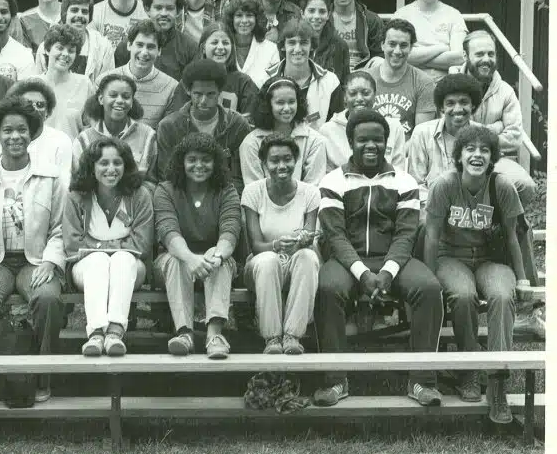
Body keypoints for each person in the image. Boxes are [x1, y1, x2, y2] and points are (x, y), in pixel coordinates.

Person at [314, 108, 444, 408]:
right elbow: (336, 237)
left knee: (428, 288)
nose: (370, 145)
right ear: (350, 142)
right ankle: (334, 380)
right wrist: (363, 274)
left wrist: (386, 272)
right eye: (362, 140)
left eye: (378, 139)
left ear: (387, 142)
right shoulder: (333, 181)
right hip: (349, 261)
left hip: (394, 261)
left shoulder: (404, 181)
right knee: (328, 289)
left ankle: (422, 381)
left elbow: (406, 234)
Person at [0, 97, 66, 404]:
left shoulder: (51, 177)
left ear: (32, 133)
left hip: (36, 260)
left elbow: (61, 228)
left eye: (22, 130)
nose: (15, 136)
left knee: (47, 299)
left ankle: (43, 376)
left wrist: (51, 262)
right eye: (7, 130)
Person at [423, 125, 525, 424]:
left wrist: (522, 279)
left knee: (502, 296)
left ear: (492, 156)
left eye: (484, 150)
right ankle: (468, 371)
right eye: (471, 149)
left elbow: (511, 236)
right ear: (460, 155)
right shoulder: (444, 184)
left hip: (490, 260)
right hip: (450, 257)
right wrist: (430, 278)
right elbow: (431, 236)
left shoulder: (501, 186)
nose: (477, 155)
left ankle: (497, 384)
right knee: (463, 295)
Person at [153, 133, 240, 359]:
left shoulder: (226, 190)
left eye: (206, 159)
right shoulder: (166, 190)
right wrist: (191, 259)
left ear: (216, 163)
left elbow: (230, 230)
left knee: (217, 255)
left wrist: (217, 256)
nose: (198, 165)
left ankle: (214, 335)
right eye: (192, 159)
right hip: (175, 260)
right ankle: (184, 333)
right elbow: (167, 230)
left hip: (214, 263)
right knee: (177, 259)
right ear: (181, 161)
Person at [64, 138, 153, 356]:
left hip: (131, 266)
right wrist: (116, 247)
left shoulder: (139, 195)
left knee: (121, 259)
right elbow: (73, 245)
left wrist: (98, 246)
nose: (111, 169)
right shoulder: (77, 197)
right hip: (86, 268)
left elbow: (141, 244)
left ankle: (114, 332)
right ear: (91, 166)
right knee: (99, 260)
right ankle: (95, 334)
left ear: (126, 165)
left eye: (117, 163)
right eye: (104, 163)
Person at [407, 73, 536, 212]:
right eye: (450, 103)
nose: (457, 109)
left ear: (473, 105)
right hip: (433, 208)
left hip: (472, 210)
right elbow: (416, 184)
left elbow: (491, 178)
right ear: (442, 107)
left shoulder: (482, 134)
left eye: (464, 102)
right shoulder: (422, 133)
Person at [241, 133, 320, 355]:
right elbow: (255, 245)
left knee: (308, 257)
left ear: (296, 160)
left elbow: (310, 236)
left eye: (287, 159)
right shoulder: (253, 192)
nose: (281, 166)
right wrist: (276, 245)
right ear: (264, 164)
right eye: (274, 161)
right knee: (267, 260)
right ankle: (272, 338)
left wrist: (302, 241)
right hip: (260, 266)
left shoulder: (310, 193)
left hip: (296, 264)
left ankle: (293, 336)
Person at [157, 59, 251, 193]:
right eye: (198, 94)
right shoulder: (169, 127)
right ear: (188, 90)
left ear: (219, 91)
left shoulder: (237, 124)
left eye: (210, 94)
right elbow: (167, 176)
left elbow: (239, 178)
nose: (204, 101)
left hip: (225, 196)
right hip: (182, 197)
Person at [239, 76, 327, 187]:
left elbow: (314, 186)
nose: (286, 108)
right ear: (267, 105)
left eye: (291, 102)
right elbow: (254, 189)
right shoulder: (251, 143)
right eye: (280, 103)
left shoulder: (315, 141)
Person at [394, 0, 467, 81]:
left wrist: (416, 57)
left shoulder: (454, 15)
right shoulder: (401, 15)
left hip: (444, 85)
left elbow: (459, 57)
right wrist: (443, 48)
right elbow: (399, 55)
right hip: (408, 82)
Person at [75, 73, 158, 184]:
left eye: (126, 96)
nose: (120, 100)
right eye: (113, 95)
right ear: (101, 99)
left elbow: (151, 181)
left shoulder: (148, 136)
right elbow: (78, 183)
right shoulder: (84, 140)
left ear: (132, 102)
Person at [0, 79, 74, 188]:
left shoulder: (61, 140)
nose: (35, 109)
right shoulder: (1, 139)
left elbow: (63, 184)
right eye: (28, 104)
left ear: (48, 112)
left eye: (40, 104)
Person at [449, 30, 523, 154]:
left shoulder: (506, 92)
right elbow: (452, 133)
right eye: (479, 54)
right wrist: (496, 128)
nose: (486, 59)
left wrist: (472, 129)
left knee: (520, 174)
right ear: (465, 56)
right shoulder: (449, 88)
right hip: (455, 160)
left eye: (491, 54)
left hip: (495, 162)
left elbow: (514, 139)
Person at [112, 0, 200, 82]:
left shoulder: (189, 48)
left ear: (178, 11)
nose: (164, 13)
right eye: (158, 8)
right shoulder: (128, 46)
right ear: (147, 9)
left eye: (170, 8)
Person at [264, 19, 343, 131]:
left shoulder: (330, 81)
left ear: (312, 46)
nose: (297, 49)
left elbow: (336, 126)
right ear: (283, 46)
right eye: (291, 43)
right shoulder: (266, 79)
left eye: (304, 43)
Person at [104, 19, 182, 131]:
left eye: (150, 47)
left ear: (159, 51)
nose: (144, 52)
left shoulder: (172, 88)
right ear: (129, 45)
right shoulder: (105, 81)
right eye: (139, 45)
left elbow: (167, 133)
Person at [322, 71, 406, 173]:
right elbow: (327, 176)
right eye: (353, 94)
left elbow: (398, 172)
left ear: (375, 95)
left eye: (365, 93)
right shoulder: (327, 131)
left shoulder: (394, 127)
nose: (359, 99)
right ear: (344, 97)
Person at [367, 17, 437, 138]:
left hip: (407, 153)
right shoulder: (366, 79)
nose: (397, 51)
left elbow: (421, 137)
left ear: (411, 48)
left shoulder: (424, 83)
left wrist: (395, 155)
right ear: (382, 45)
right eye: (392, 44)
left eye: (403, 45)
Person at [171, 22, 258, 118]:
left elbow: (250, 120)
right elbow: (177, 119)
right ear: (203, 48)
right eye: (214, 42)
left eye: (225, 43)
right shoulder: (188, 80)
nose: (220, 47)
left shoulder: (244, 82)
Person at [34, 0, 115, 81]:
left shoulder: (104, 47)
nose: (80, 15)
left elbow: (107, 84)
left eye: (84, 11)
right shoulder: (47, 45)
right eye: (74, 10)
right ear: (65, 13)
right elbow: (39, 83)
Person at [37, 23, 96, 139]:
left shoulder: (85, 84)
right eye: (60, 48)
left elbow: (90, 129)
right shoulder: (32, 84)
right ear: (47, 50)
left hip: (72, 154)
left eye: (71, 50)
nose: (65, 54)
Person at [325, 0, 384, 70]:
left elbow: (380, 55)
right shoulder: (323, 18)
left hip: (364, 73)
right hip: (331, 73)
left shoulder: (371, 20)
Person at [221, 0, 280, 88]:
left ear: (257, 19)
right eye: (239, 15)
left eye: (249, 15)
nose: (244, 21)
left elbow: (274, 87)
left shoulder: (271, 49)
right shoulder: (222, 47)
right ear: (231, 19)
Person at [300, 0, 350, 86]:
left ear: (328, 15)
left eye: (322, 11)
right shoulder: (293, 42)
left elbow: (345, 84)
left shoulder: (340, 45)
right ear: (302, 14)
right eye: (311, 11)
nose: (317, 16)